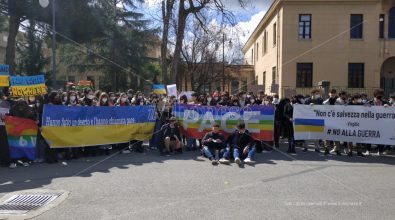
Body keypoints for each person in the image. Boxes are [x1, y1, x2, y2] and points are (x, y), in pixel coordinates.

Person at [8, 99, 36, 168]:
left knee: (23, 147)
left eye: (22, 105)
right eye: (19, 105)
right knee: (15, 147)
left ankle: (24, 161)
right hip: (16, 130)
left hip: (24, 131)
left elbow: (32, 118)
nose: (21, 108)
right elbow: (9, 116)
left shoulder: (28, 110)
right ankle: (14, 161)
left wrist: (35, 120)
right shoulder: (13, 109)